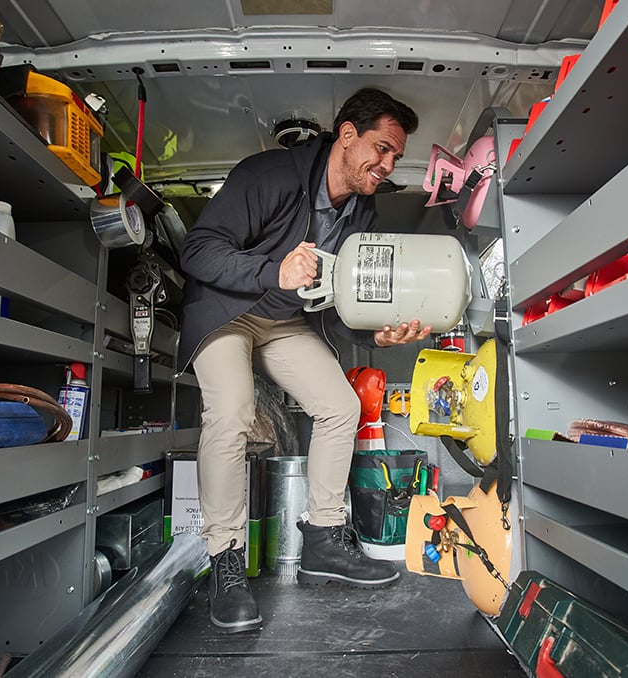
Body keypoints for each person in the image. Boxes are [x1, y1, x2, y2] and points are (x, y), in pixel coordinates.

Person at [176, 88, 430, 634]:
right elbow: (197, 250)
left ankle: (322, 540)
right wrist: (274, 272)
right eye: (382, 149)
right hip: (226, 310)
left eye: (395, 156)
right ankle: (226, 561)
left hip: (284, 322)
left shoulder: (362, 211)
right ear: (347, 135)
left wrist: (378, 335)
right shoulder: (269, 174)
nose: (388, 165)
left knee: (340, 406)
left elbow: (340, 306)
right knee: (232, 410)